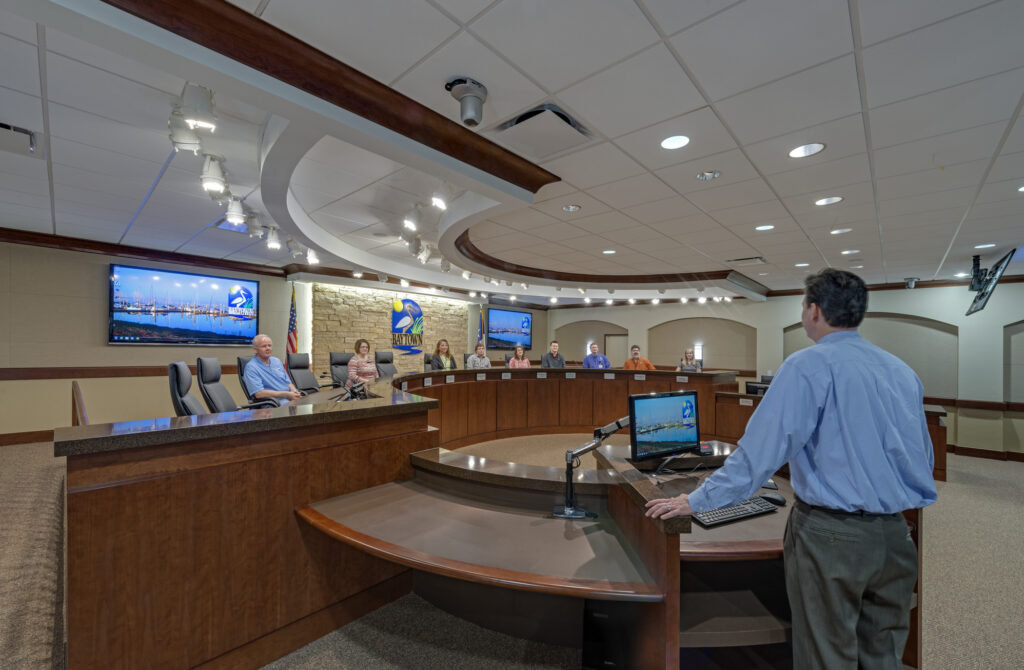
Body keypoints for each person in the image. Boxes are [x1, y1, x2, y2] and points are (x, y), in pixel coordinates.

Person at [645, 268, 938, 669]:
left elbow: (758, 454)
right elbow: (923, 458)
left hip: (832, 540)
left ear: (814, 311)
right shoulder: (902, 372)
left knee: (826, 657)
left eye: (803, 305)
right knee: (882, 657)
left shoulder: (806, 366)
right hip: (896, 537)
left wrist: (696, 500)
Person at [243, 334, 302, 402]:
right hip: (274, 402)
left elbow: (288, 382)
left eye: (269, 345)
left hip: (289, 397)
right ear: (255, 350)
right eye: (264, 346)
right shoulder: (251, 367)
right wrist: (286, 394)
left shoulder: (276, 361)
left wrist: (294, 391)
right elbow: (259, 393)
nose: (268, 348)